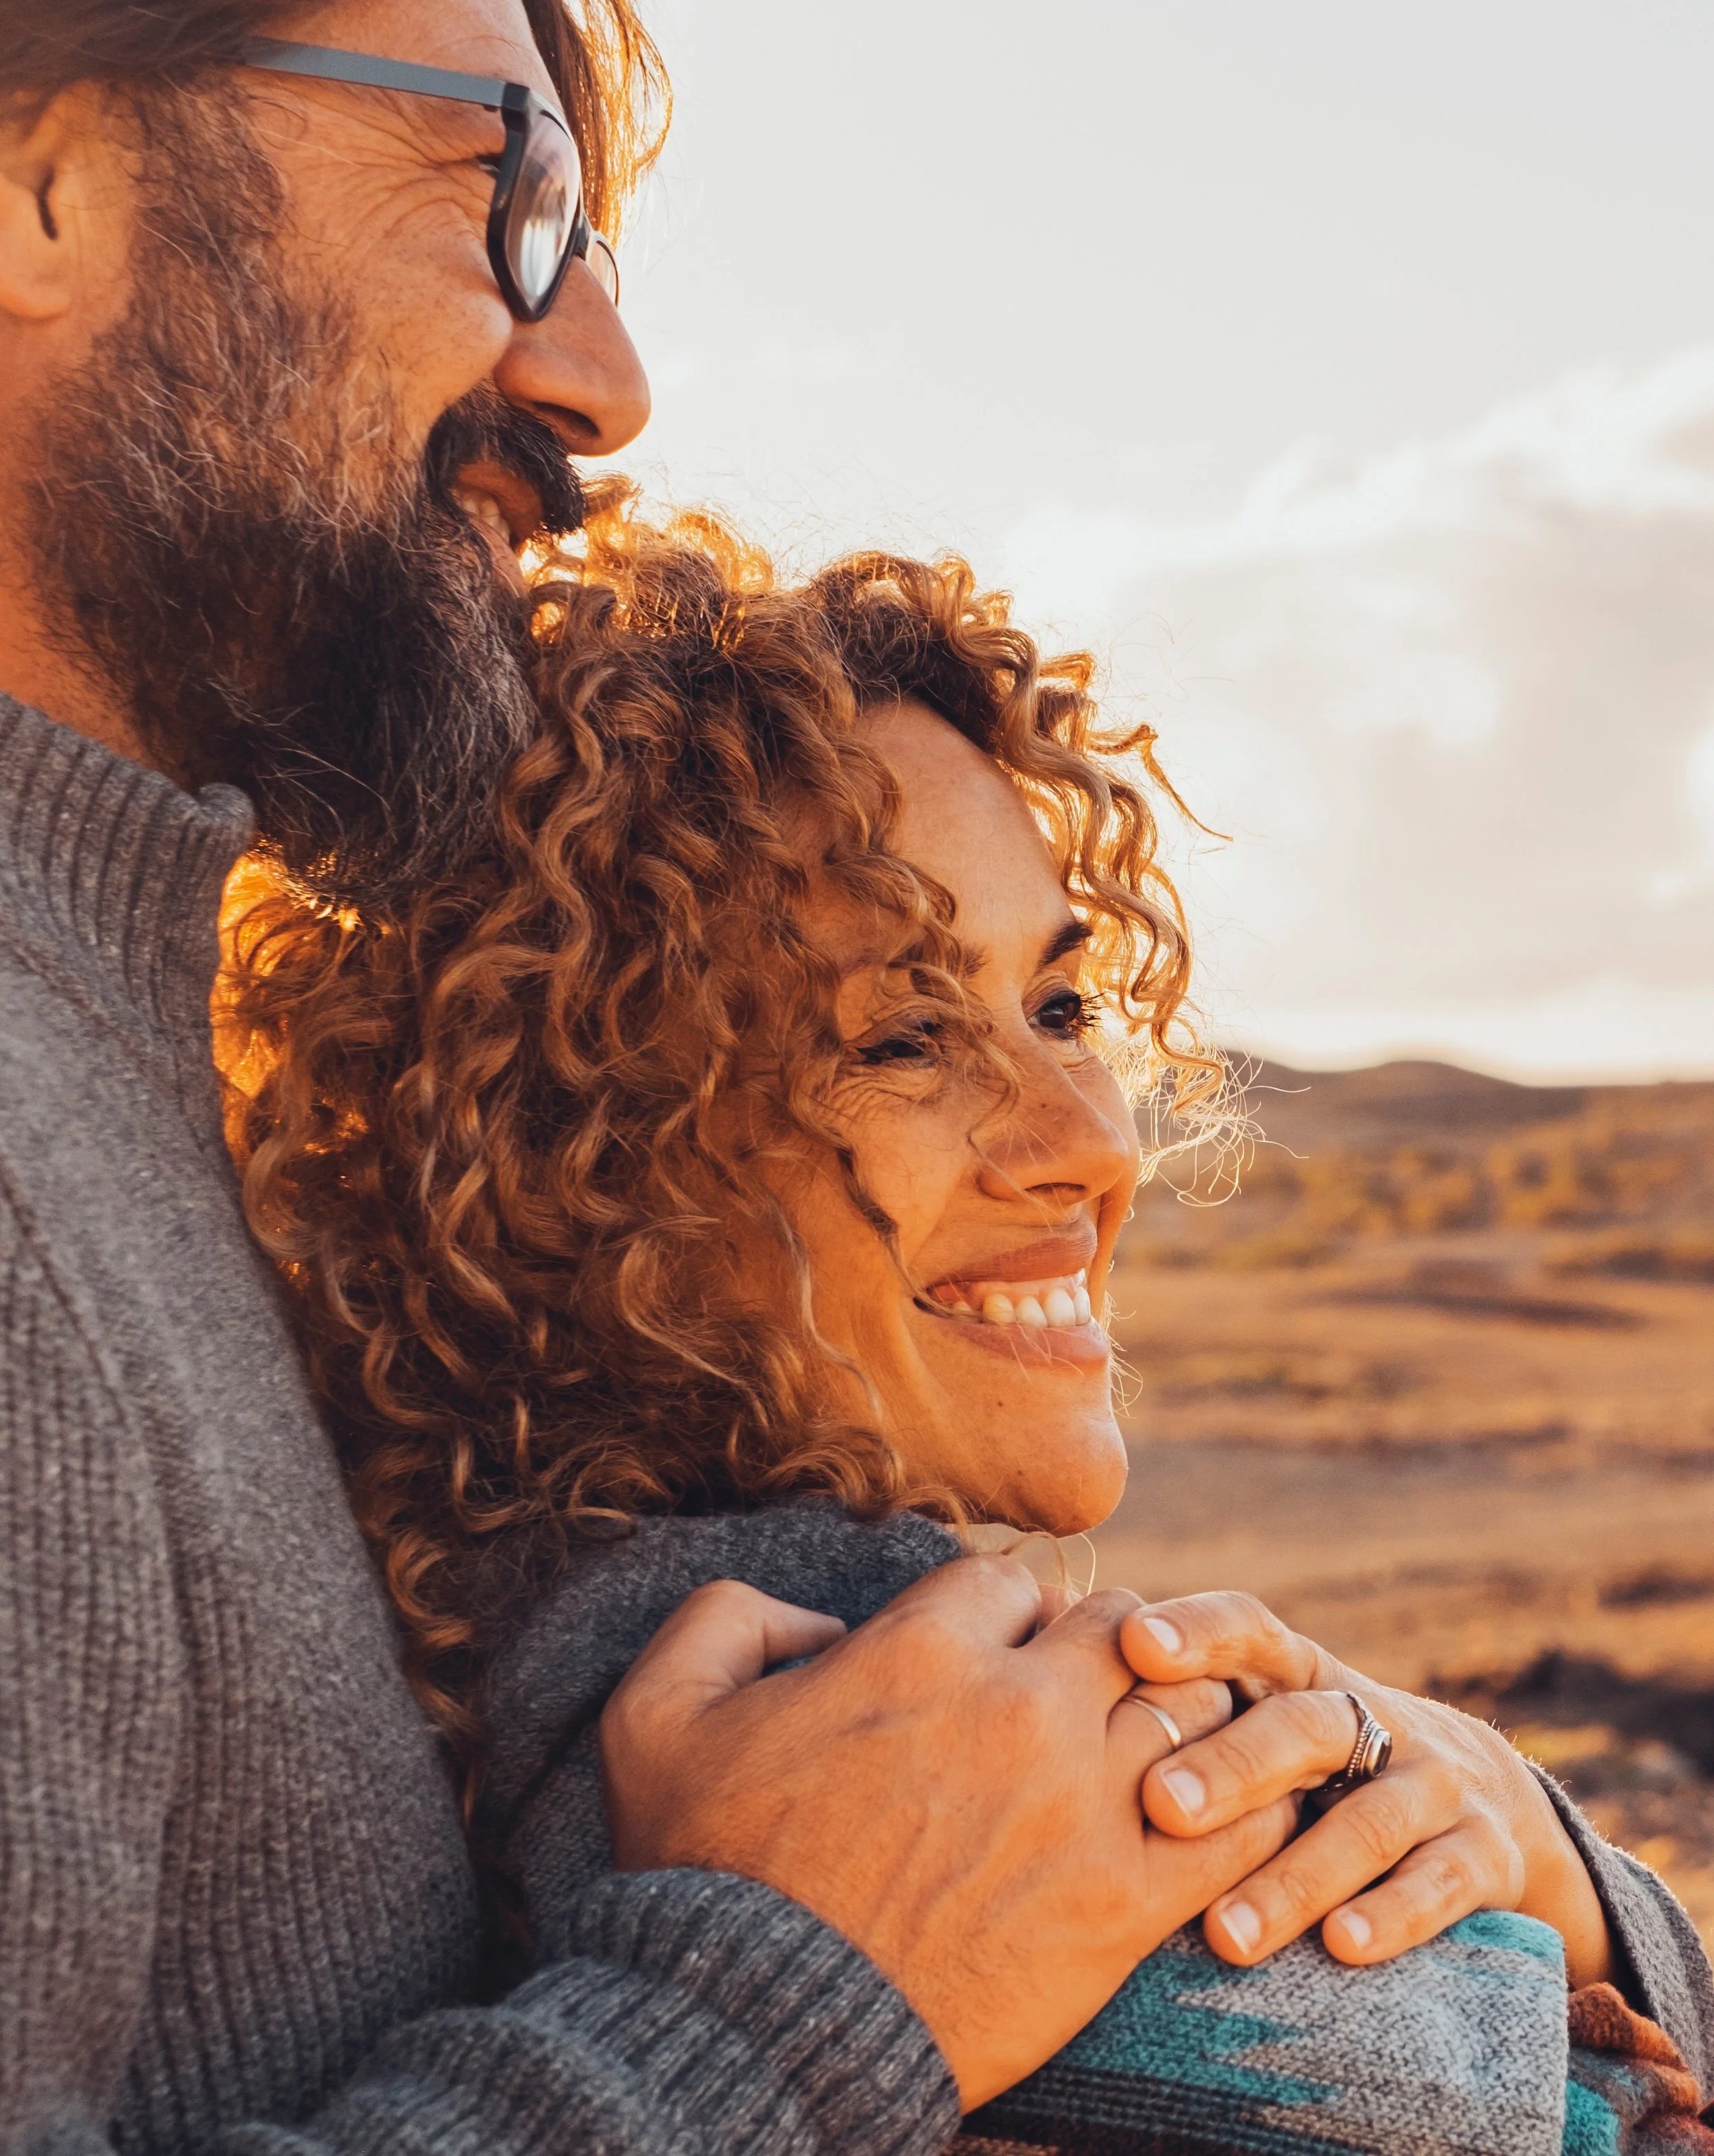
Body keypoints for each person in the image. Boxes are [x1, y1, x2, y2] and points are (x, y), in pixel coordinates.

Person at [0, 3, 1303, 2148]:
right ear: (45, 173)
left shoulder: (126, 1089)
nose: (600, 376)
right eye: (507, 200)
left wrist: (1549, 1877)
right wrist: (787, 2005)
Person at [223, 498, 1714, 2151]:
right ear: (576, 1162)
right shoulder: (831, 1695)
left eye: (1061, 1006)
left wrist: (1533, 1836)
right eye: (903, 1040)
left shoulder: (499, 1633)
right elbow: (1545, 2110)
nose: (1087, 1139)